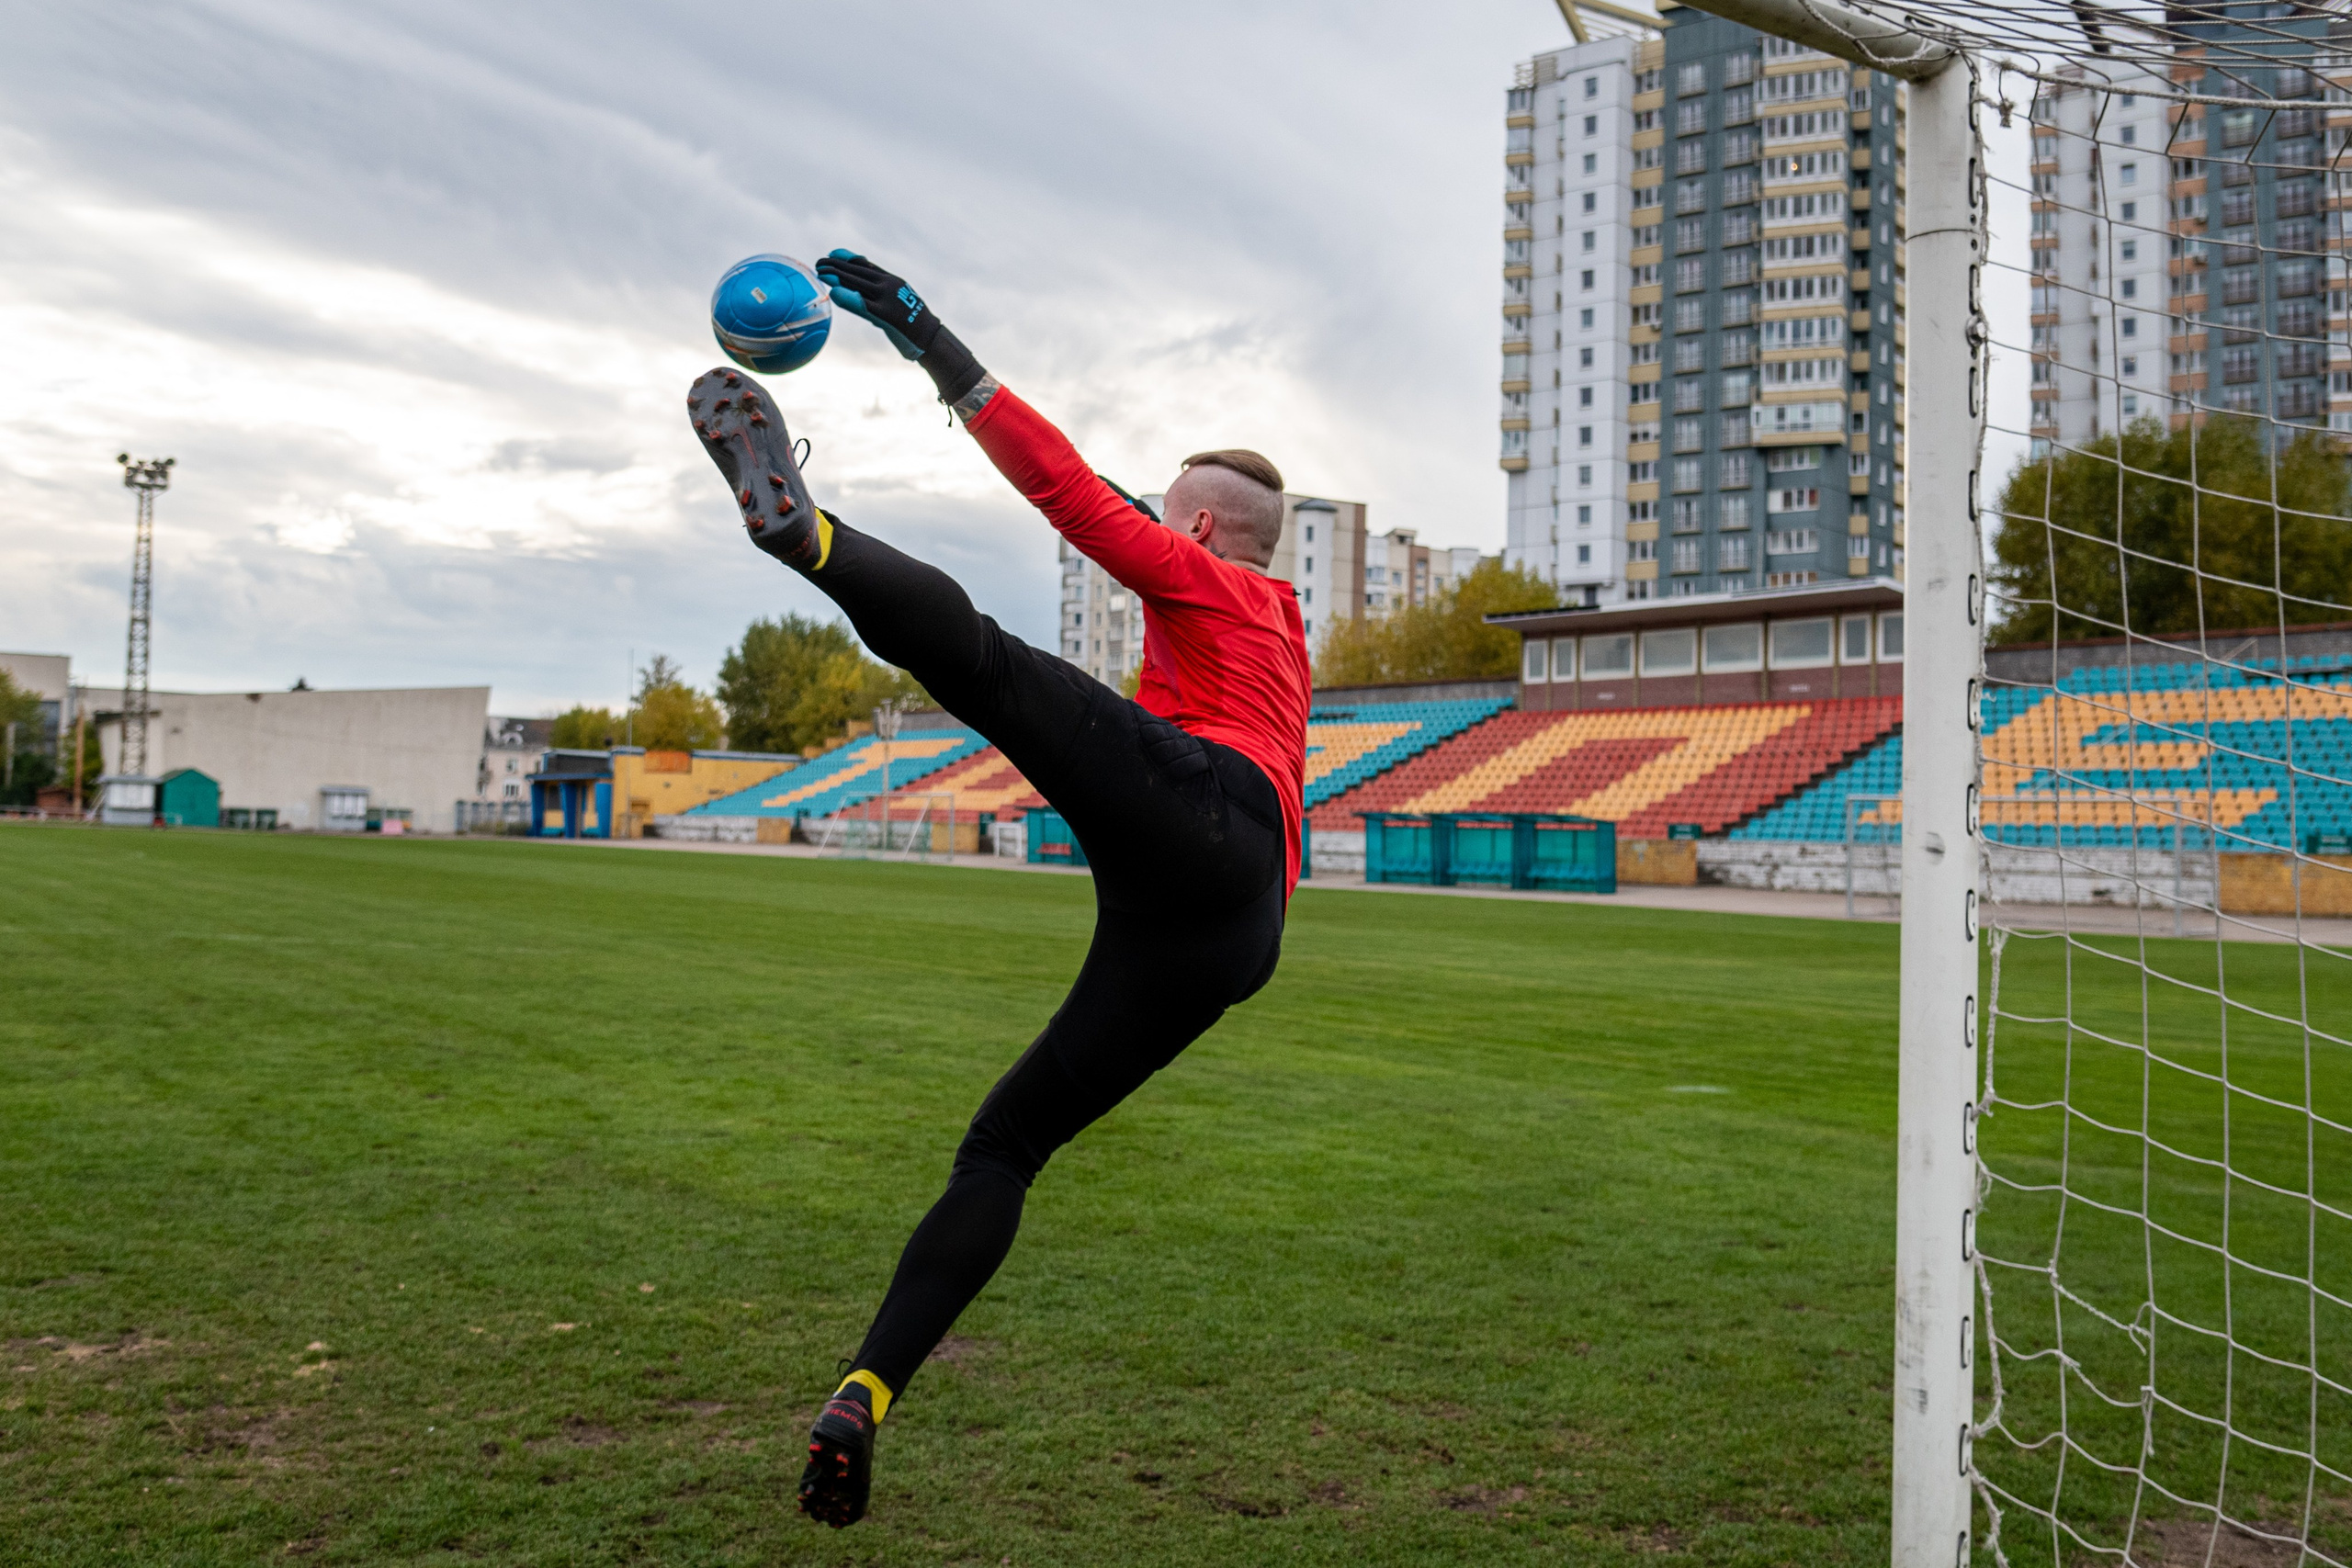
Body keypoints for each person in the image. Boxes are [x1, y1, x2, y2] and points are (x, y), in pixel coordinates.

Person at [686, 250, 1312, 1529]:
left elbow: (1072, 496)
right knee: (1005, 1147)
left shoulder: (1208, 578)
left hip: (1208, 814)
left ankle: (809, 538)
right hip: (1237, 928)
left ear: (1197, 533)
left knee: (983, 661)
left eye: (1169, 514)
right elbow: (1109, 503)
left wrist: (933, 338)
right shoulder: (1280, 622)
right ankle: (863, 1395)